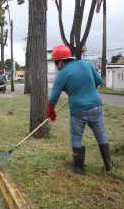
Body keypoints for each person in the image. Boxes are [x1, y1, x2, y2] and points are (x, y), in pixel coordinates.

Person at [47, 45, 112, 175]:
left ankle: (79, 168)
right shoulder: (86, 64)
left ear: (60, 62)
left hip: (78, 110)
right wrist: (84, 88)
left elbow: (53, 98)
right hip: (96, 106)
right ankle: (109, 166)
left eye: (55, 63)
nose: (56, 66)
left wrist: (51, 112)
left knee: (76, 138)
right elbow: (98, 80)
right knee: (101, 135)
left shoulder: (62, 73)